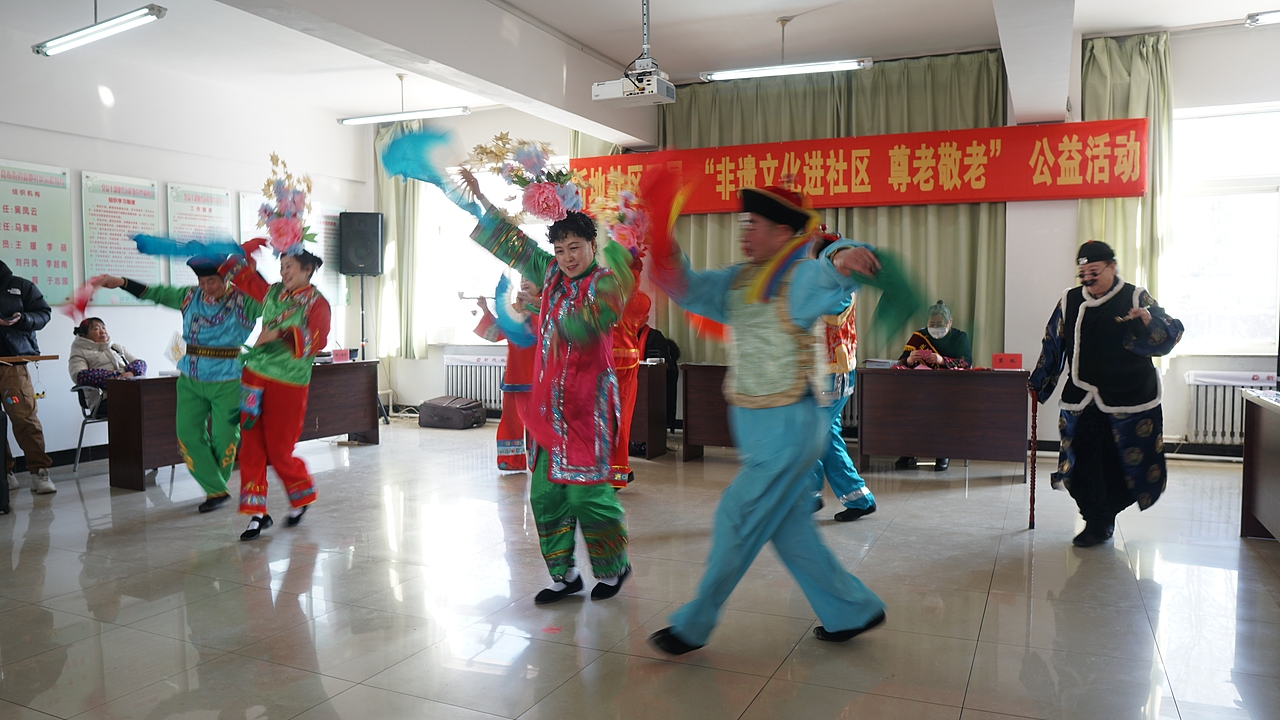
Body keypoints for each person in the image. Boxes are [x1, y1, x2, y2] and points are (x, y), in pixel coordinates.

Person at [645, 184, 888, 655]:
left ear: (783, 231)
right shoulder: (739, 281)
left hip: (789, 431)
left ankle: (693, 624)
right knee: (790, 531)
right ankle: (851, 609)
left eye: (755, 224)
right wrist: (662, 241)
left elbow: (832, 277)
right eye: (744, 223)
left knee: (736, 517)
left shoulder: (796, 278)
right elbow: (690, 288)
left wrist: (843, 255)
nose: (746, 231)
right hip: (762, 432)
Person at [461, 178, 632, 604]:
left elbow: (588, 325)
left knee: (588, 494)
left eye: (575, 248)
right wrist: (480, 199)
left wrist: (540, 310)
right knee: (544, 493)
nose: (567, 258)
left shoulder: (606, 283)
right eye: (559, 250)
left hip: (586, 406)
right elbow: (512, 243)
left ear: (592, 245)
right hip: (548, 408)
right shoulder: (551, 274)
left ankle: (613, 566)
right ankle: (566, 574)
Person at [1029, 241, 1183, 547]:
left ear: (1112, 267)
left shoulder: (1135, 296)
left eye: (1094, 271)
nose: (1087, 278)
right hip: (1083, 397)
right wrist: (1039, 382)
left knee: (1118, 466)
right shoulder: (1069, 300)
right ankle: (1094, 516)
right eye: (1082, 273)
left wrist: (1149, 321)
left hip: (1129, 399)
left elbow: (1171, 332)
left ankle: (1102, 521)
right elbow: (1053, 344)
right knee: (1081, 461)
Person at [95, 257, 263, 513]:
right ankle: (216, 489)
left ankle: (215, 486)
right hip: (191, 376)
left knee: (225, 437)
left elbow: (272, 298)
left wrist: (247, 270)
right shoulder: (189, 296)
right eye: (202, 281)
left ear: (226, 279)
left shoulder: (246, 300)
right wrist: (121, 282)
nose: (206, 287)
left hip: (229, 377)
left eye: (212, 281)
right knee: (187, 434)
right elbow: (157, 293)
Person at [219, 247, 330, 541]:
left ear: (307, 270)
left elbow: (317, 341)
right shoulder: (272, 293)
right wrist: (236, 255)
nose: (284, 272)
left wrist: (280, 333)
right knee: (251, 444)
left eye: (290, 266)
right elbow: (244, 278)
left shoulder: (318, 304)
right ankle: (257, 513)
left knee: (280, 450)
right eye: (282, 267)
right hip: (254, 377)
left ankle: (301, 494)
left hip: (288, 383)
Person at [808, 229, 876, 522]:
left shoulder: (834, 285)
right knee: (824, 435)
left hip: (832, 375)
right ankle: (857, 498)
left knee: (809, 434)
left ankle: (809, 495)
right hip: (828, 373)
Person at [895, 300, 972, 472]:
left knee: (940, 409)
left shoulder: (960, 337)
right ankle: (909, 451)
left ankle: (942, 452)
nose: (935, 327)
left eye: (940, 324)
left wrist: (942, 361)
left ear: (949, 322)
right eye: (932, 324)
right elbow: (900, 362)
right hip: (919, 387)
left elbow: (967, 362)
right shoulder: (919, 337)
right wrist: (909, 360)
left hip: (948, 389)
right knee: (909, 408)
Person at [0, 259, 55, 495]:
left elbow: (44, 313)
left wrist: (22, 320)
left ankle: (39, 472)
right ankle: (5, 474)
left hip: (12, 363)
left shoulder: (19, 286)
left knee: (24, 418)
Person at [474, 277, 539, 473]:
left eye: (531, 277)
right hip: (514, 374)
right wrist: (486, 310)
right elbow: (495, 334)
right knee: (511, 419)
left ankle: (539, 462)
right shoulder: (511, 309)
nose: (526, 281)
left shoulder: (546, 307)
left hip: (538, 376)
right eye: (523, 278)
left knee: (538, 422)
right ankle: (511, 460)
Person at [610, 258, 652, 488]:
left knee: (617, 420)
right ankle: (615, 471)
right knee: (616, 420)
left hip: (619, 367)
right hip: (615, 364)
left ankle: (617, 474)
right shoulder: (638, 299)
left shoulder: (632, 299)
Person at [67, 318, 148, 413]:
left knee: (157, 399)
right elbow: (80, 375)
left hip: (129, 393)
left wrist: (131, 373)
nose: (102, 332)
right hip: (102, 400)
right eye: (96, 329)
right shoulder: (79, 352)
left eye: (103, 328)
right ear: (85, 335)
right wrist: (117, 378)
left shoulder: (116, 347)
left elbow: (140, 363)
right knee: (140, 405)